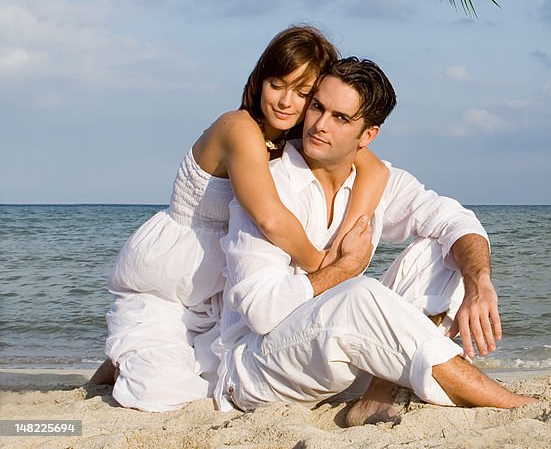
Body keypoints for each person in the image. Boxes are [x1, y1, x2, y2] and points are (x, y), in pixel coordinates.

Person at [215, 57, 534, 424]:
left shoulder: (379, 183)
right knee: (358, 295)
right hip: (257, 367)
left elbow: (456, 219)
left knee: (441, 254)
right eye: (317, 107)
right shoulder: (270, 185)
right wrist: (343, 270)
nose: (319, 125)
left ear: (367, 135)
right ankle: (502, 400)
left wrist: (479, 285)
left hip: (334, 363)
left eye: (341, 118)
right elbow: (261, 311)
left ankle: (376, 396)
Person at [93, 26, 390, 413]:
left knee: (210, 379)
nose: (286, 102)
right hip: (172, 275)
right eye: (277, 84)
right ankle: (124, 356)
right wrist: (328, 266)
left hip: (219, 289)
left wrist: (353, 227)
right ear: (259, 79)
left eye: (303, 95)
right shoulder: (239, 127)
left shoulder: (296, 131)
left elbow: (375, 169)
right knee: (161, 395)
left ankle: (129, 355)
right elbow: (269, 218)